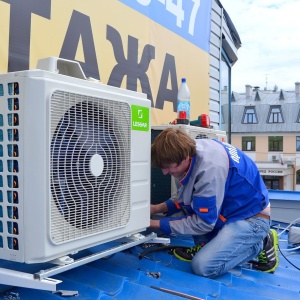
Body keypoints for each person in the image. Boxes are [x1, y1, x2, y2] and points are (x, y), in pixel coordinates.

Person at [150, 127, 279, 278]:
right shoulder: (189, 148)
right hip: (228, 209)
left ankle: (259, 242)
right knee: (191, 212)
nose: (164, 172)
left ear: (184, 158)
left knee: (203, 266)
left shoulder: (210, 171)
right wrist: (156, 208)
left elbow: (204, 223)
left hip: (252, 218)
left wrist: (155, 224)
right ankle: (211, 244)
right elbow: (185, 196)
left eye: (168, 167)